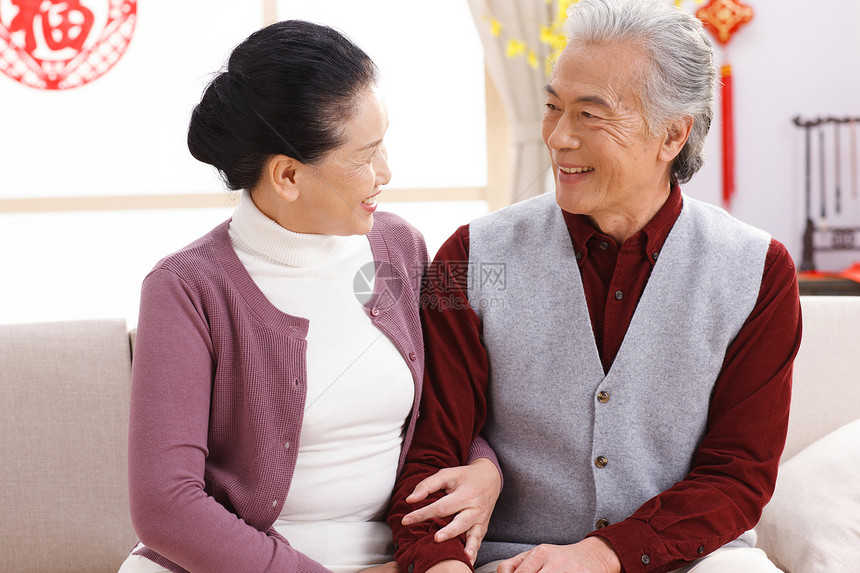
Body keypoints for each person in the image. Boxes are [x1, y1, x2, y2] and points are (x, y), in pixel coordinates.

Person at [388, 1, 801, 572]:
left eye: (590, 115)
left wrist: (605, 555)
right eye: (553, 107)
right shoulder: (468, 255)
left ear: (672, 135)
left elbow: (738, 474)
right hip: (516, 560)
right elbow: (434, 450)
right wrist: (443, 565)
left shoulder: (760, 271)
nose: (557, 138)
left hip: (695, 561)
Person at [120, 20, 501, 573]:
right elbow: (165, 509)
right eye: (364, 157)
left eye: (383, 144)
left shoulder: (404, 248)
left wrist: (484, 468)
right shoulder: (183, 289)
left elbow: (454, 404)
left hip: (395, 557)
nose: (386, 172)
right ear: (288, 176)